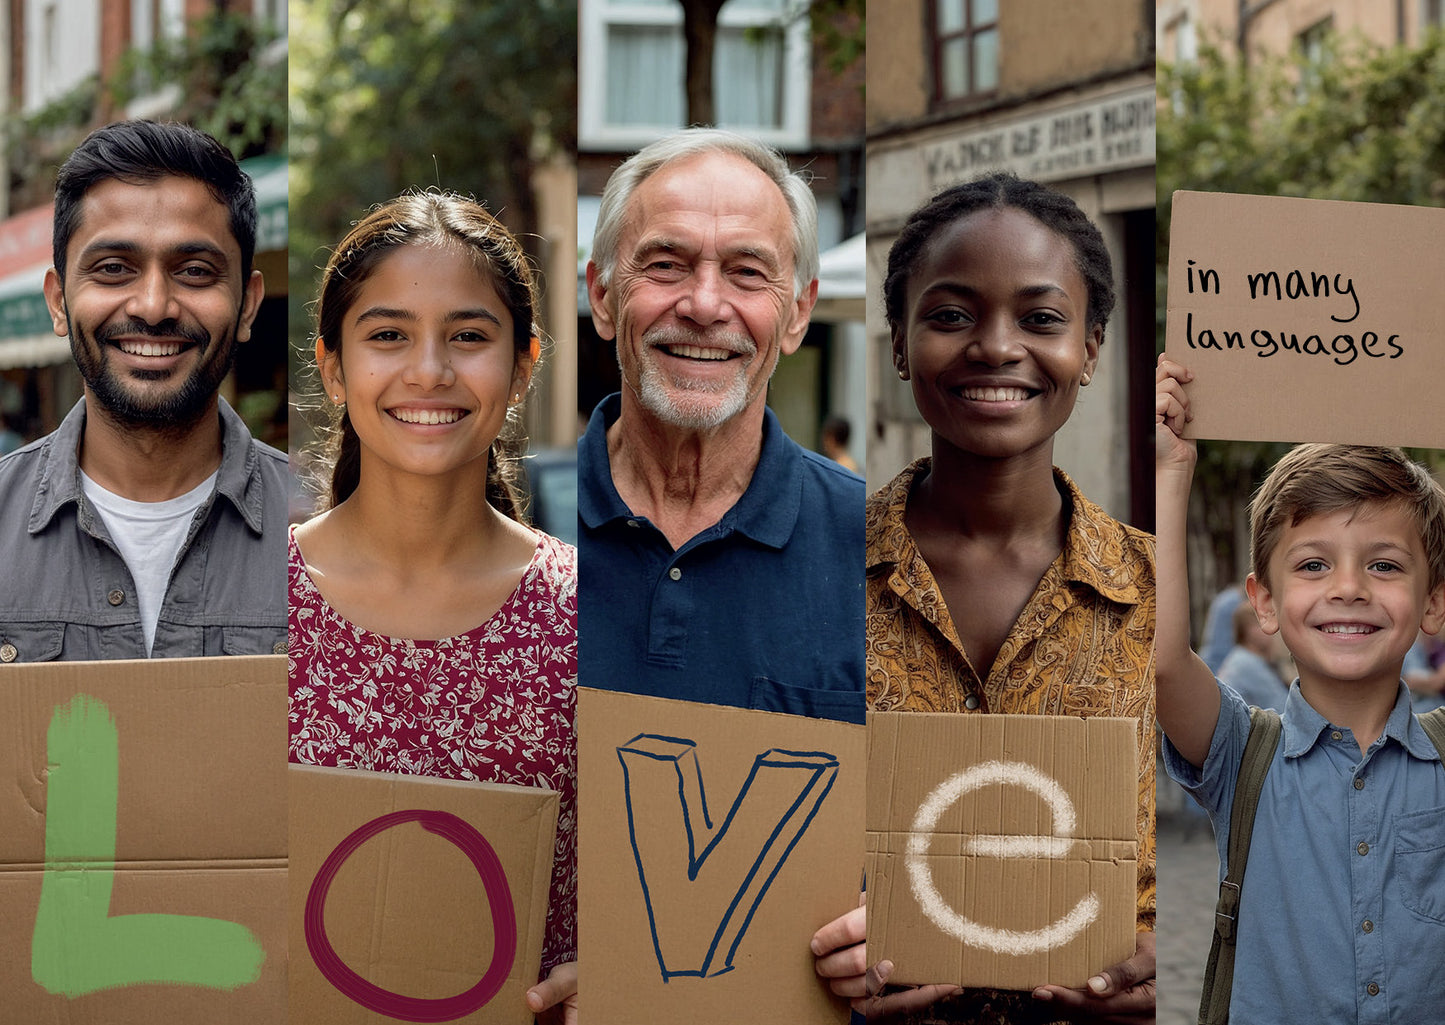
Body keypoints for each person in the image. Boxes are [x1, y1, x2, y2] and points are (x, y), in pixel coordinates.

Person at [813, 173, 1157, 1023]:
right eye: (951, 315)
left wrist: (1158, 973)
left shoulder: (1154, 594)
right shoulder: (809, 580)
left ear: (1092, 345)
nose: (995, 347)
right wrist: (814, 970)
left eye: (1041, 318)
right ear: (898, 342)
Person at [287, 192, 578, 1022]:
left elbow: (655, 888)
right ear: (334, 367)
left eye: (468, 336)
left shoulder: (588, 615)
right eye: (387, 335)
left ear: (523, 365)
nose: (429, 371)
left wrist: (622, 974)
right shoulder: (249, 609)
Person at [1156, 357, 1445, 1023]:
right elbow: (1165, 663)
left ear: (1432, 603)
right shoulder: (1239, 752)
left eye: (1383, 564)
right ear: (1263, 602)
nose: (1348, 586)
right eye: (1313, 563)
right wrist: (1170, 473)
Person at [578, 127, 864, 721]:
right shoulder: (513, 520)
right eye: (665, 265)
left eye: (747, 272)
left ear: (798, 314)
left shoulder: (878, 547)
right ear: (602, 296)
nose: (704, 306)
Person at [0, 119, 284, 662]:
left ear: (247, 304)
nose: (153, 306)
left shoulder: (321, 539)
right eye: (112, 269)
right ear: (59, 301)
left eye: (195, 271)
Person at [1217, 599, 1288, 712]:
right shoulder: (1247, 664)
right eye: (1261, 622)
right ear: (1249, 630)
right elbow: (1284, 708)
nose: (1273, 628)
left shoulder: (1240, 657)